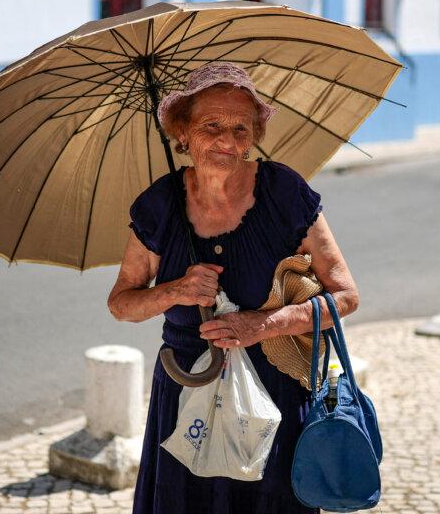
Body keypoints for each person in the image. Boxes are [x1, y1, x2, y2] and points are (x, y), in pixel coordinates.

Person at [106, 61, 361, 514]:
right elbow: (122, 304)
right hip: (186, 399)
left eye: (242, 129)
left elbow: (345, 295)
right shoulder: (158, 205)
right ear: (181, 132)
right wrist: (175, 291)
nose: (227, 141)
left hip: (276, 397)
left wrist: (264, 325)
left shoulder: (284, 192)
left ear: (256, 135)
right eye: (212, 126)